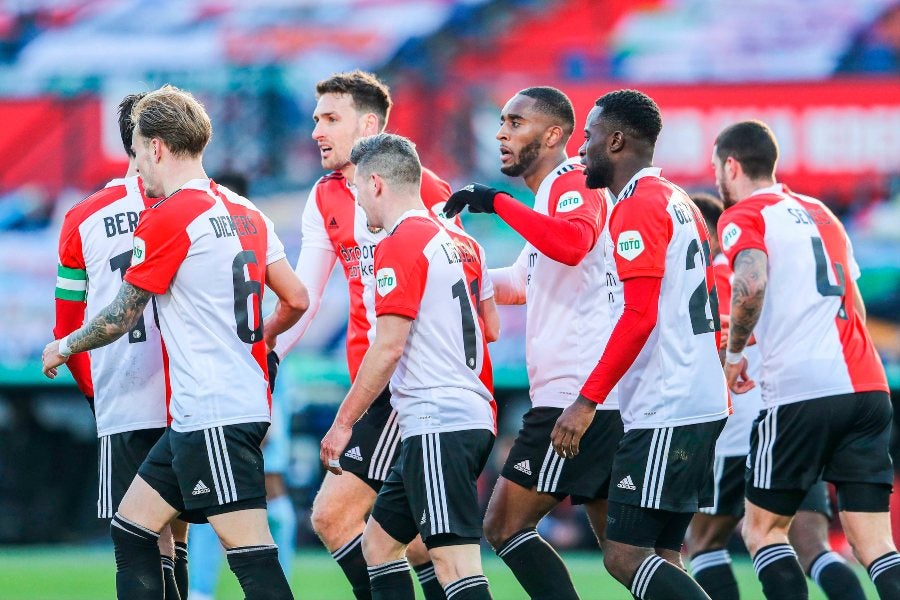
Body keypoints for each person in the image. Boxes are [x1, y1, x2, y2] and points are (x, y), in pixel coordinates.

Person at [42, 84, 309, 600]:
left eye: (138, 150)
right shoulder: (244, 209)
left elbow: (120, 316)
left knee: (250, 553)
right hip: (205, 410)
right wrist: (261, 346)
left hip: (212, 409)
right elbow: (295, 298)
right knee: (132, 527)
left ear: (156, 148)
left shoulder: (167, 216)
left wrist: (66, 345)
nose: (136, 163)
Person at [271, 70, 454, 600]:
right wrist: (266, 353)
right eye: (315, 120)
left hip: (408, 380)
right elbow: (302, 298)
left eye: (331, 119)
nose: (316, 132)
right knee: (419, 543)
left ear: (369, 124)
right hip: (372, 379)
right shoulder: (324, 196)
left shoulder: (427, 191)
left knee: (333, 516)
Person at [442, 86, 622, 600]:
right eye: (501, 121)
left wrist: (495, 202)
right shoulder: (550, 197)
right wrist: (452, 266)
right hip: (594, 394)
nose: (501, 132)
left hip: (574, 397)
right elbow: (523, 281)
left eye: (515, 122)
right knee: (628, 557)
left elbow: (570, 244)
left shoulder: (572, 182)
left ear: (553, 134)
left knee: (502, 526)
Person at [551, 89, 729, 600]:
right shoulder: (678, 202)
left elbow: (639, 316)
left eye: (587, 137)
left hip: (667, 404)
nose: (581, 148)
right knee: (662, 556)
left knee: (624, 555)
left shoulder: (639, 206)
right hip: (692, 397)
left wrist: (585, 403)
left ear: (617, 140)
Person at [714, 120, 898, 600]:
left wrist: (734, 355)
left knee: (763, 531)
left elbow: (750, 284)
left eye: (718, 168)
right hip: (867, 387)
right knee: (874, 544)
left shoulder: (742, 215)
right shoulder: (822, 213)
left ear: (731, 165)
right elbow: (854, 305)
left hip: (801, 391)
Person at [318, 132, 500, 600]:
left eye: (358, 190)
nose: (357, 204)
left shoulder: (400, 242)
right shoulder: (457, 239)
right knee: (379, 545)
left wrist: (343, 424)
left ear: (375, 183)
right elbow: (492, 326)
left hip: (440, 419)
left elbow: (387, 347)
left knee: (453, 561)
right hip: (459, 413)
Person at [685, 192, 866, 600]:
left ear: (704, 234)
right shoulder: (768, 265)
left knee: (706, 543)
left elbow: (708, 346)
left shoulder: (708, 275)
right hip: (788, 416)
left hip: (733, 426)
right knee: (813, 548)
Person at [53, 92, 189, 600]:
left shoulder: (83, 217)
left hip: (126, 397)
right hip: (191, 398)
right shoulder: (203, 204)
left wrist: (96, 395)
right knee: (178, 533)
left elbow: (66, 327)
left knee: (136, 537)